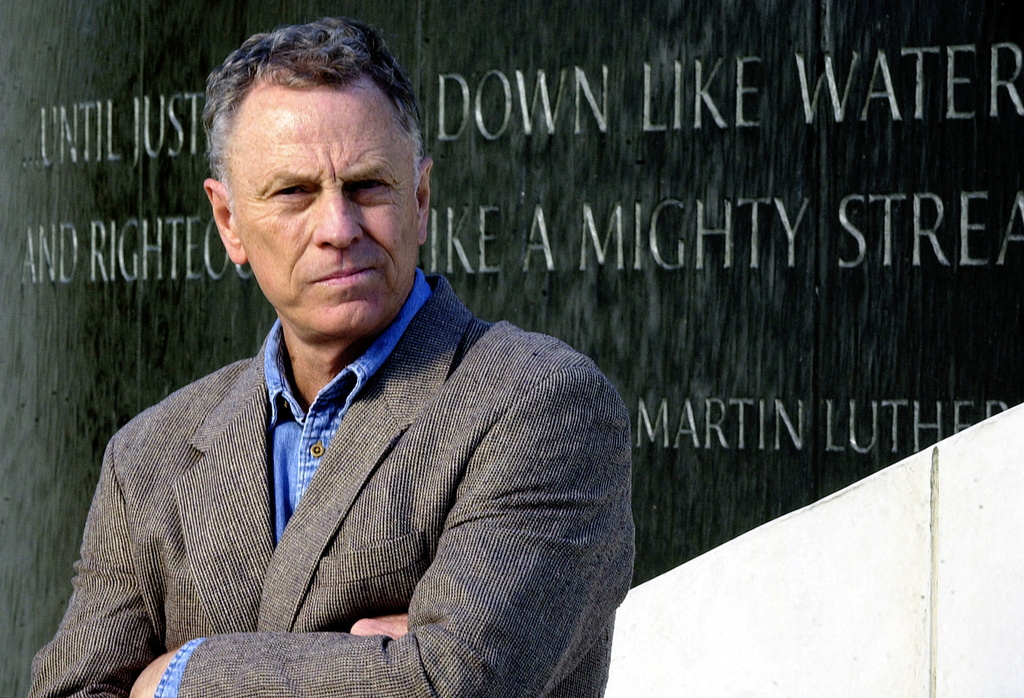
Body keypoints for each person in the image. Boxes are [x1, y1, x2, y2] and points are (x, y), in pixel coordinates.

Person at [30, 17, 634, 698]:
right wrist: (373, 671)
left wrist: (181, 673)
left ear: (422, 198)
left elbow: (451, 686)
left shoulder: (541, 404)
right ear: (229, 221)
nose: (338, 230)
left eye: (368, 186)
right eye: (294, 193)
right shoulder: (148, 456)